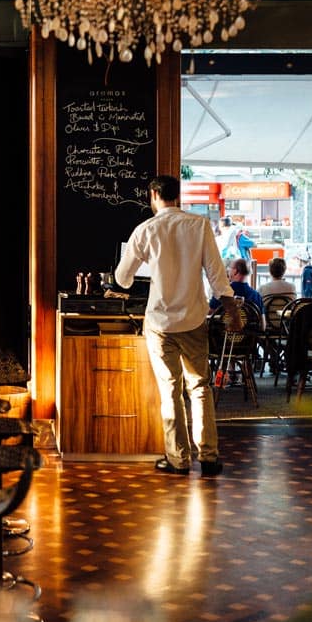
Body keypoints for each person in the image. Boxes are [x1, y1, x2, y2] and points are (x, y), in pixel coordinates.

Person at [114, 175, 232, 478]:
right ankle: (208, 457)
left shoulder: (146, 230)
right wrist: (230, 304)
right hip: (194, 319)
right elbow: (216, 273)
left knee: (170, 390)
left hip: (160, 323)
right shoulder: (200, 225)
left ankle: (178, 460)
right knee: (200, 387)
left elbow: (122, 278)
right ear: (177, 196)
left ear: (154, 195)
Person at [211, 258, 264, 325]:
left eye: (230, 268)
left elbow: (210, 316)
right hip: (249, 335)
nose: (228, 271)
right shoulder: (257, 296)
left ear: (235, 271)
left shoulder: (221, 292)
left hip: (223, 334)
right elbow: (263, 326)